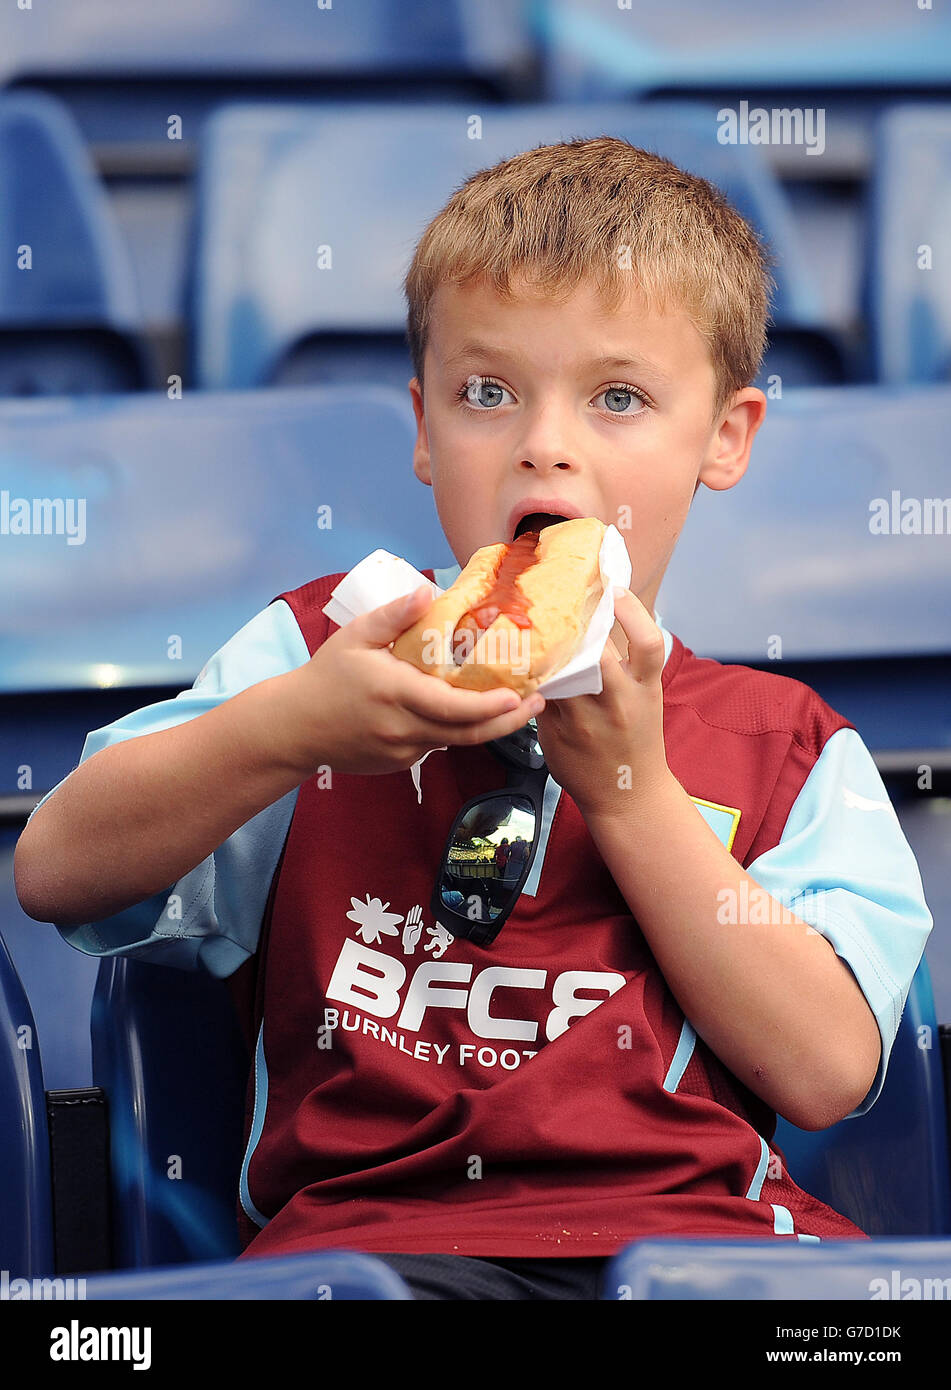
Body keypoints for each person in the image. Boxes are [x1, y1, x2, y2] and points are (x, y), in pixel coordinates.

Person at [13, 137, 933, 1302]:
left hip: (705, 1255)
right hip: (371, 1255)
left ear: (726, 437)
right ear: (423, 426)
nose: (545, 442)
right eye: (486, 393)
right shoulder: (316, 659)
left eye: (618, 397)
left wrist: (633, 796)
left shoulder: (788, 744)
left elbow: (826, 1070)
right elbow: (55, 871)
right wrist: (291, 730)